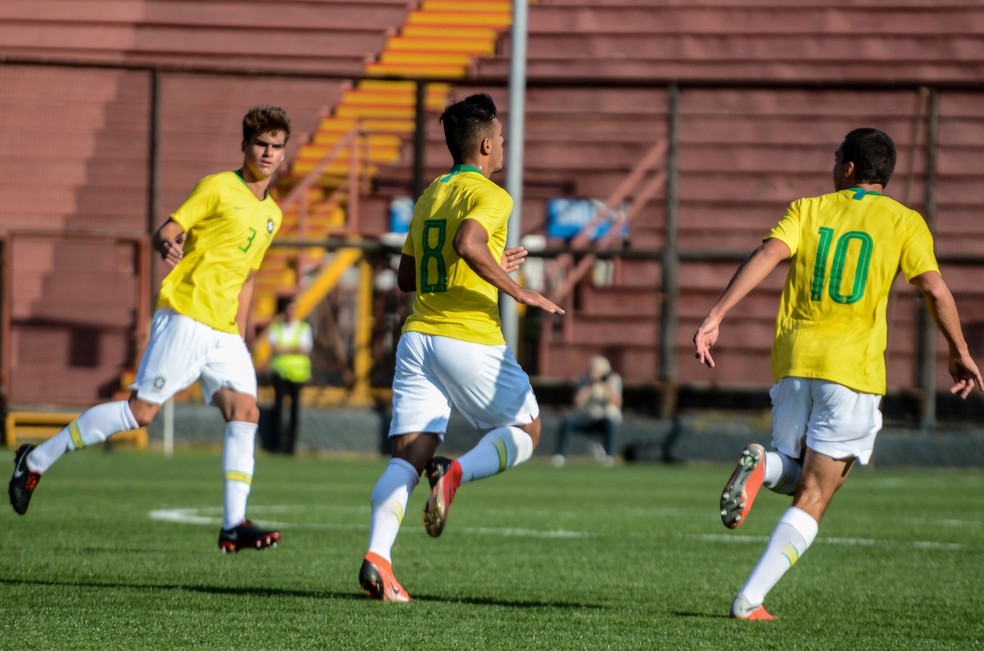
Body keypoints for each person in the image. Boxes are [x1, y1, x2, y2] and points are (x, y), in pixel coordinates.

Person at [692, 128, 982, 620]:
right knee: (817, 492)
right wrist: (959, 351)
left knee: (796, 471)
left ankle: (765, 467)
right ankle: (750, 599)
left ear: (848, 168)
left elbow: (767, 255)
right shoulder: (905, 221)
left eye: (835, 159)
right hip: (851, 371)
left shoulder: (807, 209)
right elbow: (933, 289)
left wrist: (716, 315)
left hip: (793, 363)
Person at [9, 105, 293, 553]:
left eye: (277, 147)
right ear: (245, 145)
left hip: (223, 332)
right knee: (141, 413)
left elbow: (250, 276)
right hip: (186, 313)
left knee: (247, 412)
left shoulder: (274, 214)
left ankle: (233, 523)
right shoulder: (218, 187)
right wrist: (169, 244)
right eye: (261, 144)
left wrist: (242, 332)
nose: (269, 153)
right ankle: (36, 459)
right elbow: (167, 229)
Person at [358, 93, 565, 602]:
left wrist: (494, 262)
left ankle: (377, 559)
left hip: (418, 337)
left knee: (407, 456)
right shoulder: (493, 195)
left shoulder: (430, 193)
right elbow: (468, 245)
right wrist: (519, 290)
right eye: (502, 138)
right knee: (528, 429)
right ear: (489, 144)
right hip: (466, 336)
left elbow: (408, 275)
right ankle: (456, 471)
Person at [551, 355, 622, 467]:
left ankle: (609, 456)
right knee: (568, 421)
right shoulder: (584, 380)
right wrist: (591, 384)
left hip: (605, 417)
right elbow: (577, 401)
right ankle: (560, 455)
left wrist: (605, 384)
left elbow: (617, 402)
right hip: (588, 416)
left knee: (610, 423)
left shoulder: (614, 379)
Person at [267, 297, 313, 455]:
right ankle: (277, 444)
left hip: (297, 374)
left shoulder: (303, 327)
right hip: (280, 372)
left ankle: (291, 446)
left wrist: (284, 349)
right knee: (278, 409)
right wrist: (294, 348)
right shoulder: (276, 328)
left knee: (294, 410)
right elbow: (274, 349)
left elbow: (305, 349)